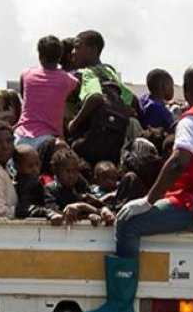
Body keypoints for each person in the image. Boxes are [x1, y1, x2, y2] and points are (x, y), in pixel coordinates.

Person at [84, 65, 193, 312]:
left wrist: (148, 201)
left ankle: (120, 305)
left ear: (186, 89)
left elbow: (179, 162)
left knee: (127, 222)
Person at [67, 30, 135, 165]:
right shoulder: (110, 72)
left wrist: (73, 123)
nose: (73, 52)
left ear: (92, 49)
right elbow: (130, 99)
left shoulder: (87, 72)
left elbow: (95, 97)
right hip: (114, 143)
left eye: (77, 47)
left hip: (91, 140)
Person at [13, 36, 80, 148]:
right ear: (60, 57)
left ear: (40, 56)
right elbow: (78, 94)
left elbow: (24, 98)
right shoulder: (67, 80)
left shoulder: (26, 75)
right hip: (49, 139)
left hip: (21, 135)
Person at [44, 146, 113, 226]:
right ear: (56, 171)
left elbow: (97, 207)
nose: (72, 175)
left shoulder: (80, 185)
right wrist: (86, 212)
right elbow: (56, 213)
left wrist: (86, 209)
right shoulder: (50, 190)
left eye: (75, 170)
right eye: (67, 171)